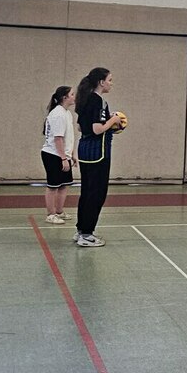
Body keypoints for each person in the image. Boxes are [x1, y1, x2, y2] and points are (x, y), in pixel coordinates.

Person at [74, 67, 125, 248]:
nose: (111, 83)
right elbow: (97, 129)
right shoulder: (98, 101)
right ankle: (87, 234)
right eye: (110, 80)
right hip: (98, 153)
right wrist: (114, 120)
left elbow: (81, 128)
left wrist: (109, 123)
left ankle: (81, 230)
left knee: (86, 192)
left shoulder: (84, 99)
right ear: (101, 82)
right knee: (97, 194)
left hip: (84, 150)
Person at [41, 85, 78, 225]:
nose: (74, 97)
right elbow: (58, 139)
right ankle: (50, 214)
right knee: (53, 186)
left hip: (64, 154)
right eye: (72, 94)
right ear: (64, 97)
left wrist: (72, 155)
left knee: (64, 185)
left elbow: (68, 137)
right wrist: (63, 158)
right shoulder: (58, 114)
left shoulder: (67, 113)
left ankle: (59, 211)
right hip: (53, 155)